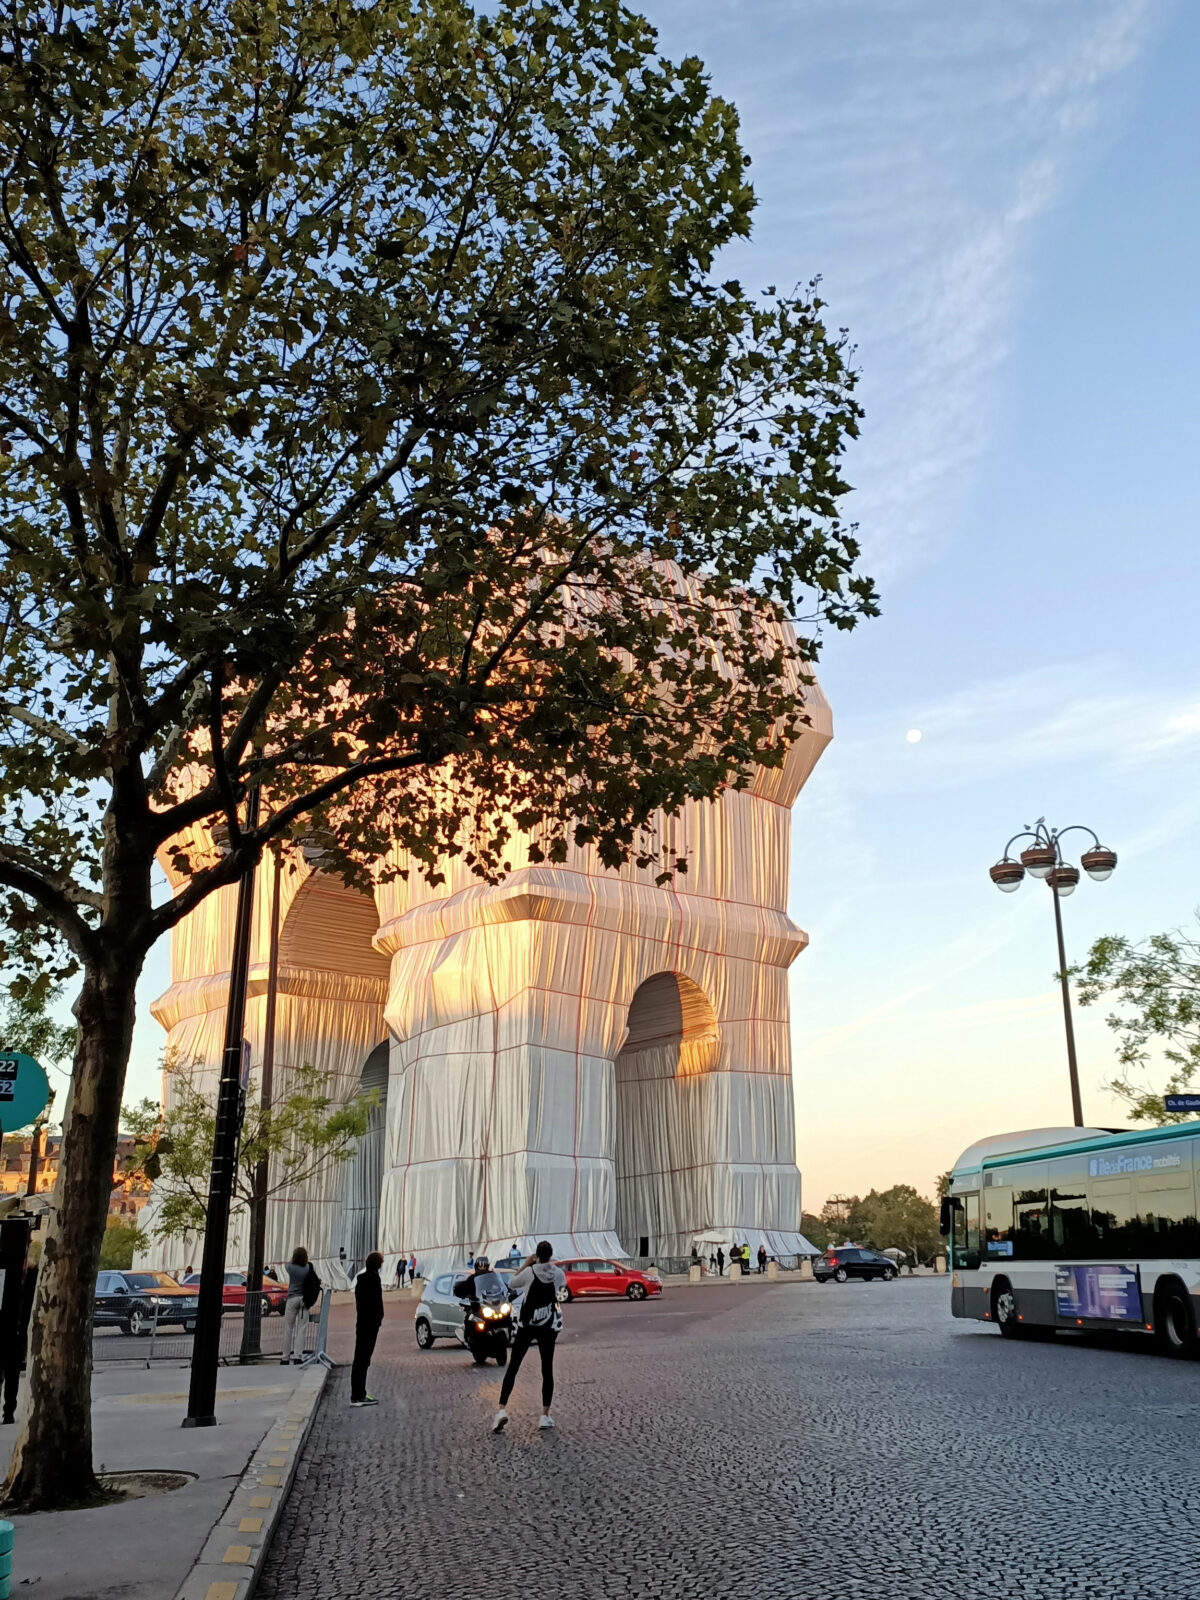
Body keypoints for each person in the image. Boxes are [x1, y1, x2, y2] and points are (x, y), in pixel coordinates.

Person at [492, 1241, 565, 1434]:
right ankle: (545, 1415)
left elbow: (511, 1283)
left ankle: (501, 1410)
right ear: (550, 1255)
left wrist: (526, 1264)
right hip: (547, 1327)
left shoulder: (529, 1273)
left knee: (514, 1366)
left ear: (536, 1255)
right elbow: (561, 1284)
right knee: (547, 1370)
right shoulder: (557, 1274)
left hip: (527, 1326)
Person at [2, 1264, 37, 1425]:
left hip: (17, 1334)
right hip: (12, 1332)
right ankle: (8, 1410)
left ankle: (9, 1410)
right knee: (10, 1373)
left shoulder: (30, 1275)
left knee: (12, 1373)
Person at [351, 1250, 384, 1407]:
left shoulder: (360, 1280)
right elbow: (377, 1303)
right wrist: (379, 1319)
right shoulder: (374, 1280)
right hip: (370, 1324)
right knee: (363, 1359)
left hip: (362, 1323)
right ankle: (359, 1395)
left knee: (360, 1358)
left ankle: (357, 1393)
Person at [283, 1246, 314, 1364]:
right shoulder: (308, 1268)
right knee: (301, 1329)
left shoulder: (290, 1267)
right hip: (304, 1300)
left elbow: (287, 1264)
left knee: (288, 1328)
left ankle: (285, 1357)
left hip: (292, 1298)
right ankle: (298, 1356)